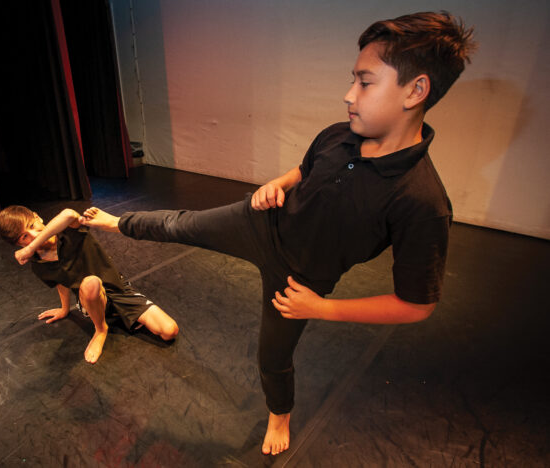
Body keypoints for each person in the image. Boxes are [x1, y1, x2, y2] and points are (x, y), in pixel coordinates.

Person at [80, 11, 476, 455]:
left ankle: (279, 415)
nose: (349, 94)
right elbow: (304, 170)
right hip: (260, 225)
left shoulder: (423, 201)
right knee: (180, 223)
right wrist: (279, 184)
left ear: (416, 90)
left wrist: (322, 308)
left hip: (300, 282)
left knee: (272, 358)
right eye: (354, 79)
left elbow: (416, 306)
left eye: (365, 82)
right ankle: (117, 221)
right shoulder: (338, 134)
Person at [0, 206, 179, 364]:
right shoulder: (39, 264)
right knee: (91, 282)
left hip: (118, 289)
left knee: (169, 331)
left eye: (32, 226)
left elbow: (69, 214)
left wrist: (30, 246)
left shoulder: (69, 231)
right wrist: (64, 309)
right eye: (24, 238)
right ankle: (101, 330)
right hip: (89, 300)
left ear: (37, 217)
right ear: (16, 244)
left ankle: (120, 316)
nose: (34, 236)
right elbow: (61, 283)